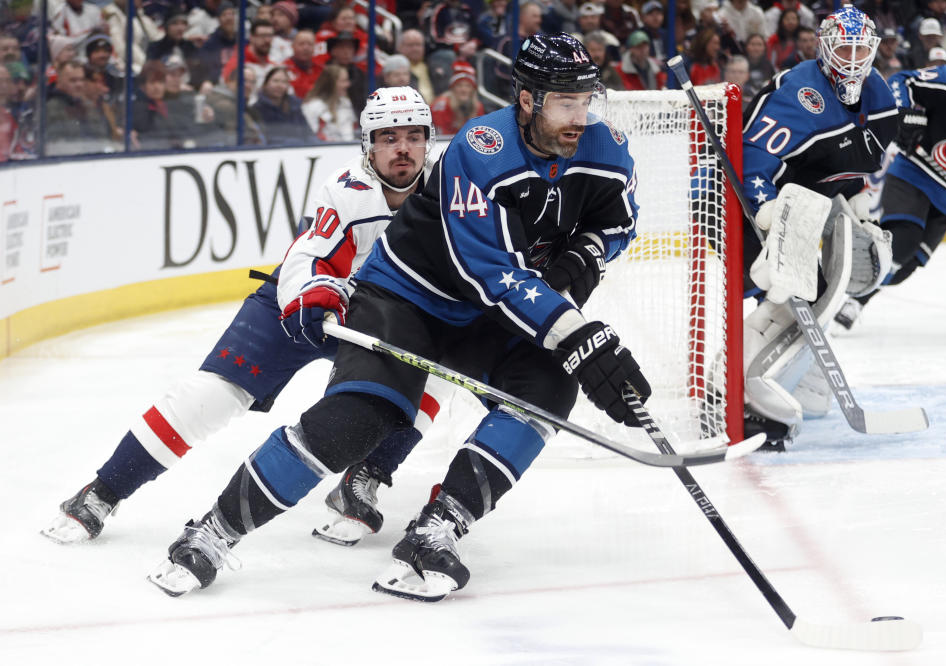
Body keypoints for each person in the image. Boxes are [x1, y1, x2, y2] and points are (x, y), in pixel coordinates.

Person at [146, 32, 647, 602]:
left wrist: (587, 253)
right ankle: (214, 533)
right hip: (406, 298)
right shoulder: (481, 150)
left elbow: (620, 221)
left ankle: (439, 528)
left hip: (491, 314)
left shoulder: (605, 148)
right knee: (357, 419)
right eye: (565, 103)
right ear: (528, 100)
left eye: (585, 101)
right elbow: (488, 271)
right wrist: (578, 333)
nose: (580, 117)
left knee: (546, 390)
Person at [42, 86, 444, 546]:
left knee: (429, 380)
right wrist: (312, 298)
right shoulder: (348, 191)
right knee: (208, 396)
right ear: (367, 144)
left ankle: (365, 477)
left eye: (414, 136)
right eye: (388, 137)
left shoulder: (447, 190)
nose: (403, 149)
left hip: (380, 318)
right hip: (302, 306)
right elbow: (308, 256)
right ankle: (102, 492)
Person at [739, 6, 899, 450]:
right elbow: (751, 161)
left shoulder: (881, 100)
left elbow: (851, 171)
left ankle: (798, 381)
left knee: (820, 288)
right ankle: (733, 388)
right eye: (843, 46)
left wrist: (860, 213)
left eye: (860, 48)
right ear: (824, 46)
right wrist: (767, 213)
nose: (851, 58)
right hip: (742, 202)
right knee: (780, 289)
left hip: (807, 204)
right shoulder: (800, 92)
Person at [834, 64, 946, 329]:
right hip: (916, 172)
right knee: (903, 240)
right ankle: (837, 292)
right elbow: (903, 80)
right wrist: (905, 114)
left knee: (906, 267)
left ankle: (857, 295)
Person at [248, 65, 314, 146]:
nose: (279, 85)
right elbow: (264, 140)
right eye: (275, 81)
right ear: (265, 83)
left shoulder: (295, 106)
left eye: (284, 82)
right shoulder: (256, 110)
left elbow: (308, 134)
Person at [301, 63, 357, 141]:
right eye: (343, 81)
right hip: (325, 150)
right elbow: (311, 137)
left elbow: (352, 131)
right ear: (331, 84)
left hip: (349, 149)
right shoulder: (312, 106)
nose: (348, 84)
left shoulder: (346, 102)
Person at [429, 60, 484, 135]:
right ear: (453, 89)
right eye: (459, 85)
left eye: (468, 86)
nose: (464, 90)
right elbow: (442, 137)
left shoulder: (478, 107)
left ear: (473, 90)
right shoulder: (440, 106)